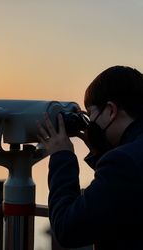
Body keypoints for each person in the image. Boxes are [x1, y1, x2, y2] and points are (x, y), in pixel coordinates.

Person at [37, 66, 143, 250]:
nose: (89, 123)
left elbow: (67, 229)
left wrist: (61, 157)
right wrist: (101, 153)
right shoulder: (130, 159)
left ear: (111, 110)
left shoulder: (123, 163)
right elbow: (123, 193)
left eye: (91, 113)